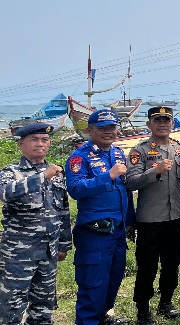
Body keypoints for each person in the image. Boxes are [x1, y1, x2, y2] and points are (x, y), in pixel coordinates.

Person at [65, 109, 132, 325]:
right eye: (102, 128)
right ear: (90, 130)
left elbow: (124, 190)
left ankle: (103, 315)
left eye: (111, 127)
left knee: (114, 277)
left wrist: (130, 220)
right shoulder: (79, 156)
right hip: (95, 232)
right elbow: (75, 188)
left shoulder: (118, 153)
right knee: (93, 282)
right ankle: (88, 321)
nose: (108, 132)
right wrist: (108, 175)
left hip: (118, 229)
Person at [0, 123, 71, 325]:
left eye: (45, 140)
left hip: (48, 252)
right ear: (21, 144)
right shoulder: (11, 172)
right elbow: (4, 193)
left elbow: (63, 211)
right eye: (34, 139)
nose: (40, 144)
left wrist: (64, 244)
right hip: (18, 253)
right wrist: (42, 177)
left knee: (44, 304)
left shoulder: (57, 173)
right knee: (12, 305)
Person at [125, 107, 180, 324]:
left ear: (172, 123)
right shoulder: (139, 151)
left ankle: (166, 302)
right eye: (157, 120)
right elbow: (131, 182)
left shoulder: (179, 148)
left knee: (172, 262)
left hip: (174, 218)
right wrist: (156, 171)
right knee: (147, 266)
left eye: (167, 120)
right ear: (149, 124)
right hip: (150, 219)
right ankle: (143, 310)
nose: (163, 123)